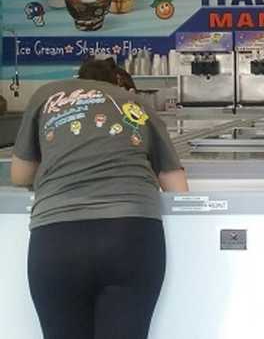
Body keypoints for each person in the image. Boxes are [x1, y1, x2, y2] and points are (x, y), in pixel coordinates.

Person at [11, 58, 189, 339]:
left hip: (57, 236)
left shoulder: (47, 94)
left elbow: (20, 174)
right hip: (131, 235)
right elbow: (177, 186)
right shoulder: (135, 104)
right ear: (120, 82)